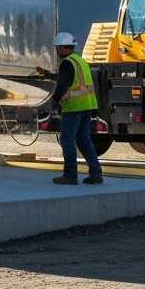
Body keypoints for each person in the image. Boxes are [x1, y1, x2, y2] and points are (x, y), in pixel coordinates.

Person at [48, 31, 103, 185]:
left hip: (73, 107)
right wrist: (50, 75)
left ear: (61, 48)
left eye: (57, 48)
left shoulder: (66, 63)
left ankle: (70, 175)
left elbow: (63, 84)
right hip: (87, 106)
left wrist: (55, 100)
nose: (57, 51)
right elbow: (76, 81)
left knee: (67, 139)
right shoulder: (80, 61)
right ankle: (96, 173)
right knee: (84, 139)